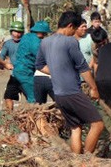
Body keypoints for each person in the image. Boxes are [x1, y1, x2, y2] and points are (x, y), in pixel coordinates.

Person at [35, 11, 104, 154]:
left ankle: (75, 161)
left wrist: (56, 72)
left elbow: (39, 65)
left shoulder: (45, 42)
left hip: (59, 94)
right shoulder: (70, 41)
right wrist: (93, 88)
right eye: (74, 29)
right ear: (71, 26)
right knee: (97, 124)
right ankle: (86, 160)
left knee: (75, 127)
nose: (74, 33)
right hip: (72, 92)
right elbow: (83, 68)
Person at [11, 20, 51, 103]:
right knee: (34, 97)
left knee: (31, 93)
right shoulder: (36, 42)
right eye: (44, 33)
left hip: (20, 70)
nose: (44, 35)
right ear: (39, 32)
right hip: (25, 72)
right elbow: (41, 57)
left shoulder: (27, 36)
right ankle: (34, 112)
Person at [0, 20, 25, 110]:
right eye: (15, 32)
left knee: (31, 99)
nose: (17, 34)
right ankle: (10, 117)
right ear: (11, 32)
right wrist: (1, 64)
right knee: (8, 97)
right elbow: (1, 57)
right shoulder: (8, 44)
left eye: (19, 32)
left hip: (27, 76)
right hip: (14, 76)